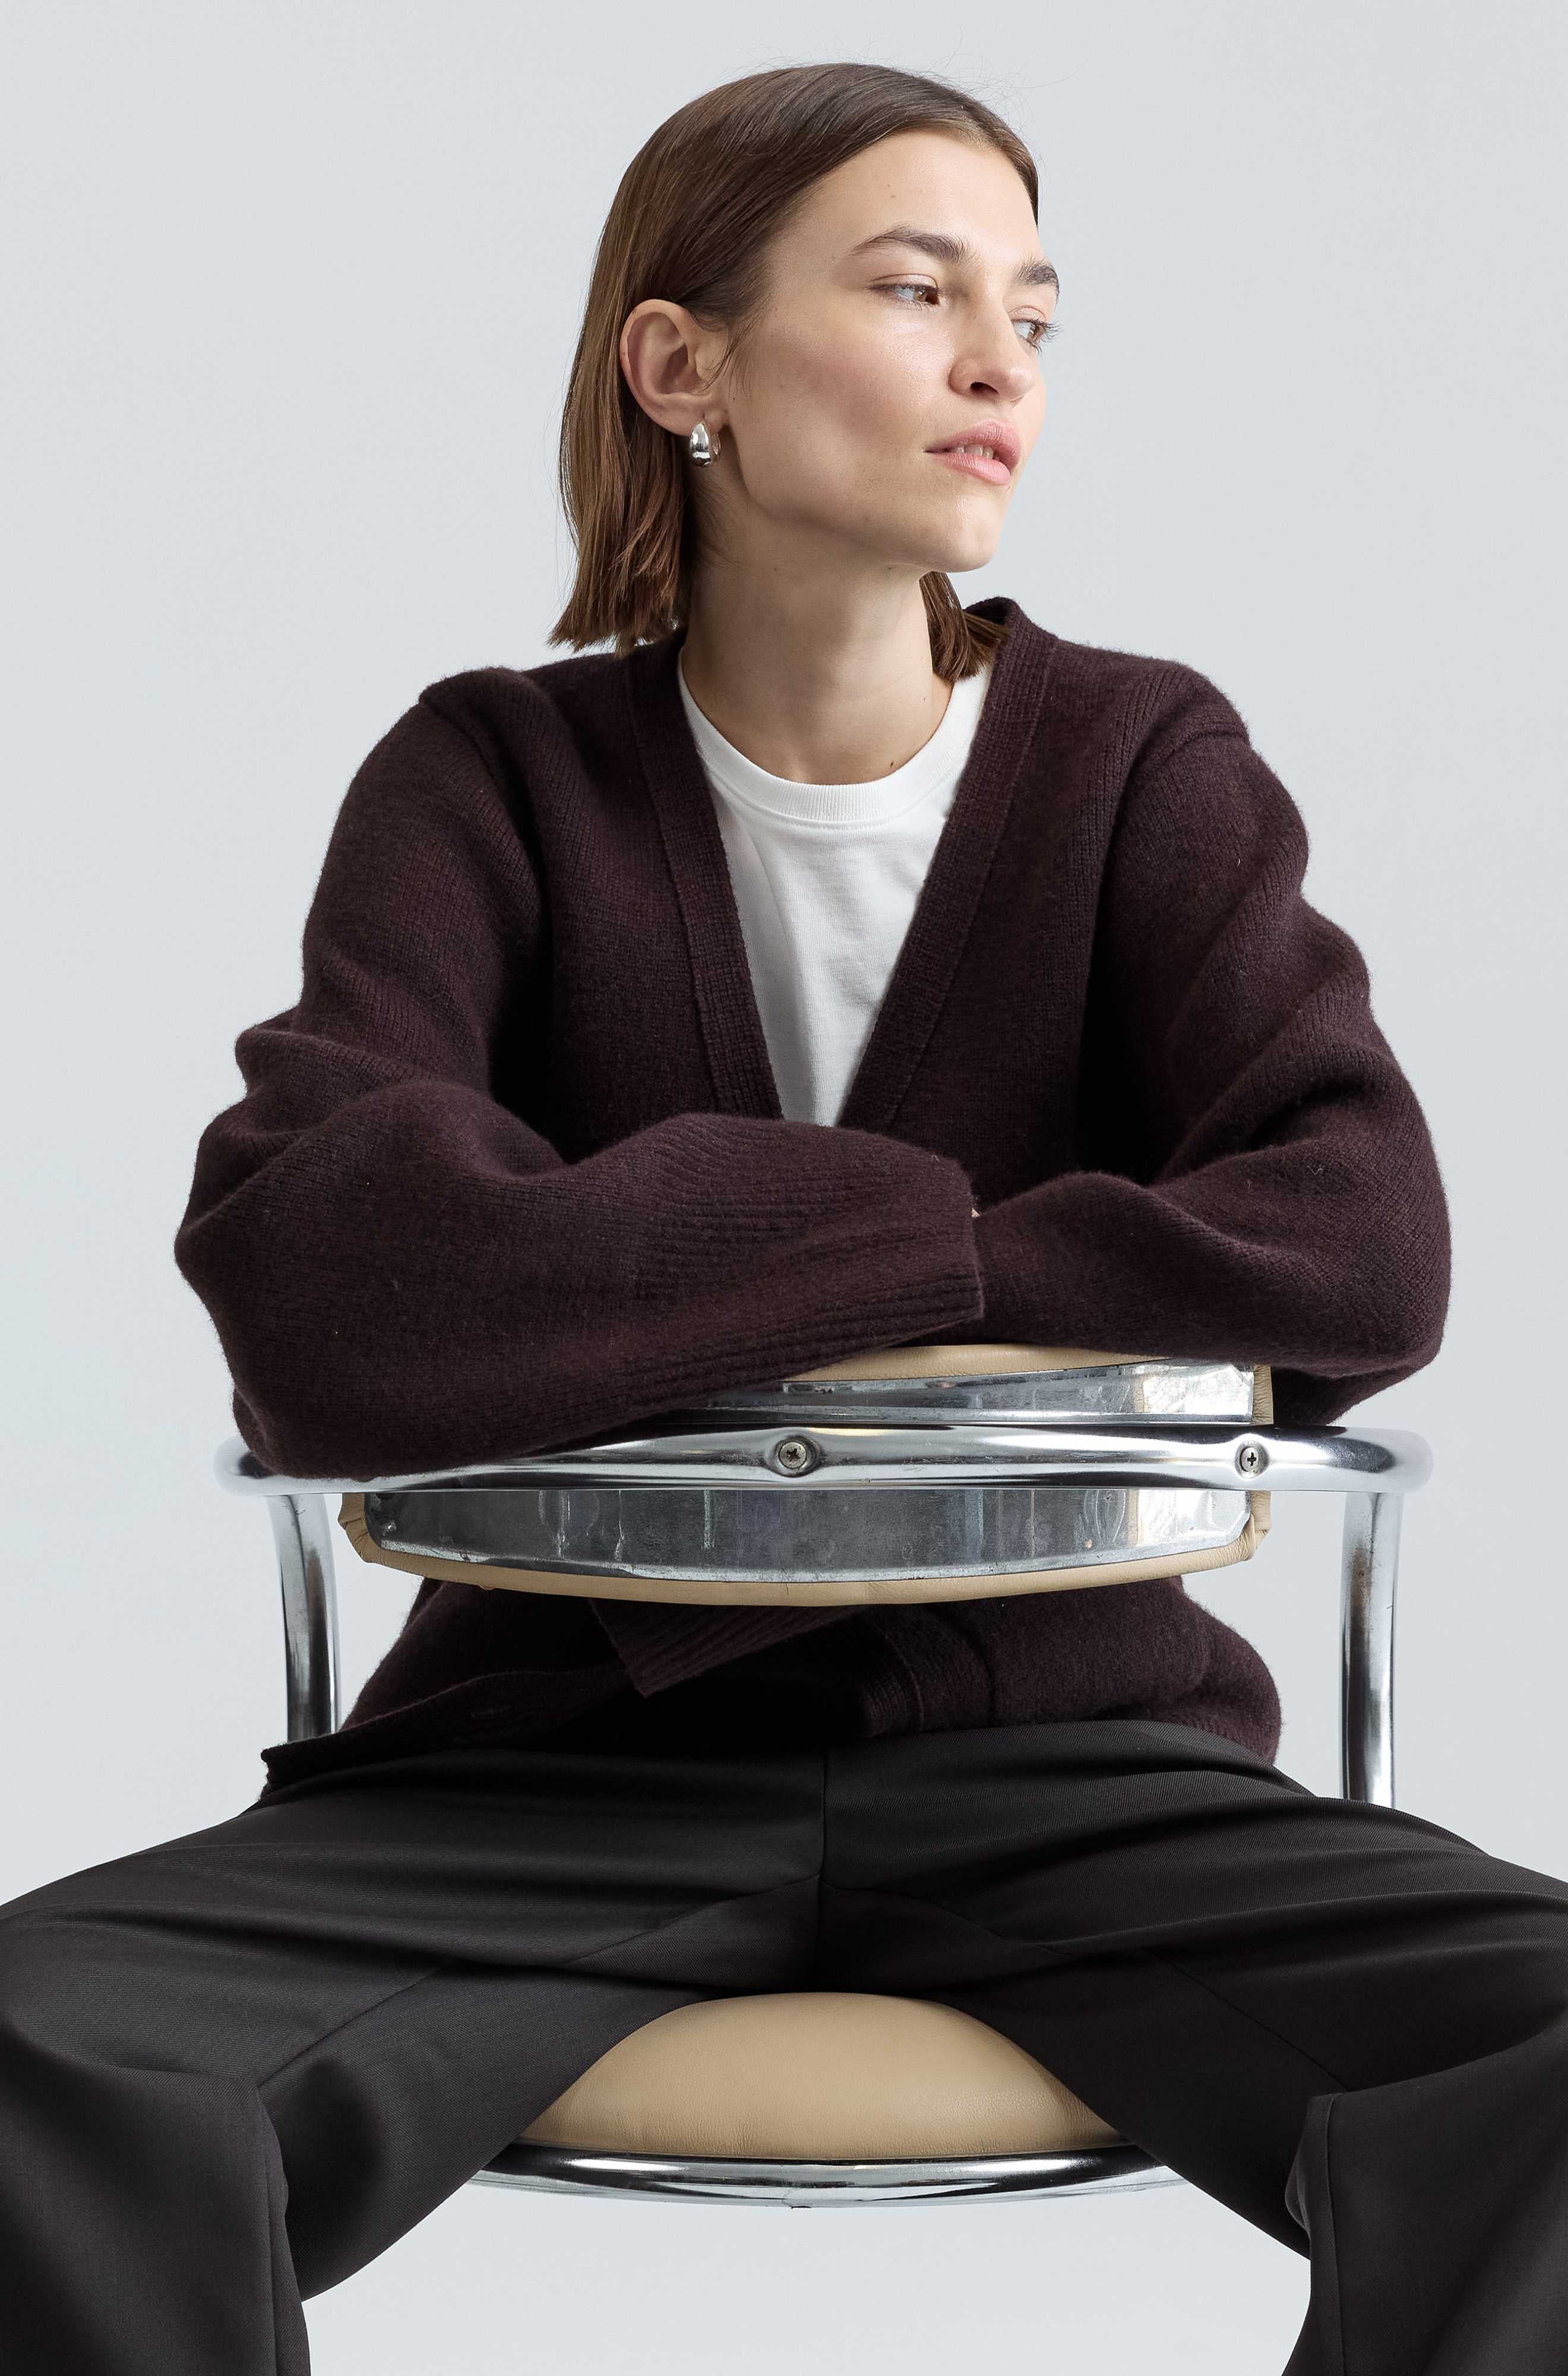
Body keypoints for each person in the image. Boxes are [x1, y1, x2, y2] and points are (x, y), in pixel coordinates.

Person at [2, 59, 1564, 2376]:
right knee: (39, 2049)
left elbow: (1351, 1250)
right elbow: (325, 1276)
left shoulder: (1144, 767)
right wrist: (946, 1237)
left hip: (1081, 1767)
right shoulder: (495, 783)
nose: (998, 360)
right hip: (542, 1776)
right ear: (682, 365)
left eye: (1031, 306)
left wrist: (646, 1268)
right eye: (916, 288)